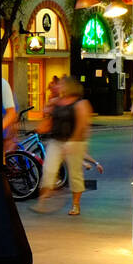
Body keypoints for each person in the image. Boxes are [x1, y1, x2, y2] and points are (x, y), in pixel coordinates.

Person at [35, 75, 94, 215]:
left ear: (70, 86)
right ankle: (42, 201)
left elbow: (82, 125)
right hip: (56, 140)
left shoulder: (81, 103)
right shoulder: (56, 101)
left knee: (75, 175)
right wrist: (46, 112)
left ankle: (75, 205)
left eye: (62, 84)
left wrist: (73, 141)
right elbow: (48, 119)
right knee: (48, 169)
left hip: (74, 142)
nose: (59, 86)